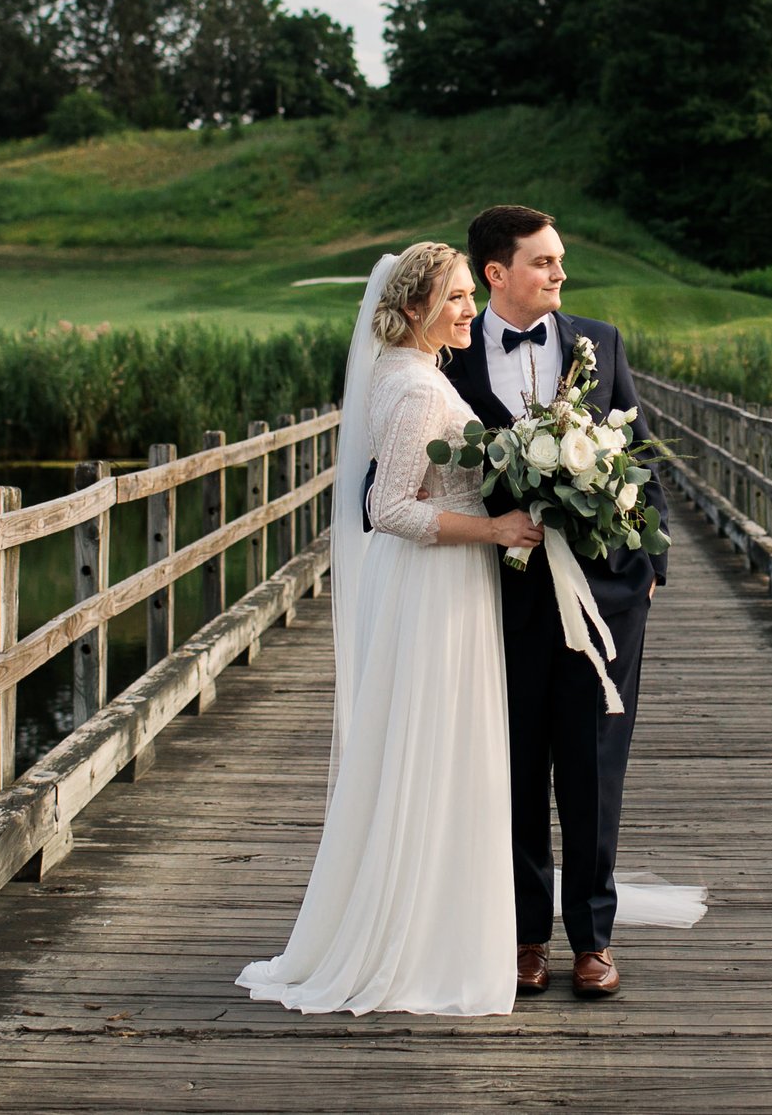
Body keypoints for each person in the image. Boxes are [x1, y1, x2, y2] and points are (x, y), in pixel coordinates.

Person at [237, 242, 547, 1015]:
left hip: (449, 584)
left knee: (444, 752)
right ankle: (415, 942)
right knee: (435, 748)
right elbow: (389, 509)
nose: (469, 308)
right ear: (414, 309)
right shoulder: (413, 388)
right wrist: (497, 529)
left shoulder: (416, 373)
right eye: (454, 298)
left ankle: (443, 922)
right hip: (437, 587)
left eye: (472, 294)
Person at [445, 204, 675, 1001]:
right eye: (543, 261)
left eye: (561, 260)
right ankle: (522, 936)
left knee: (594, 768)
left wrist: (650, 564)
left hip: (605, 596)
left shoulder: (599, 342)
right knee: (511, 768)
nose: (560, 273)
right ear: (495, 273)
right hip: (496, 600)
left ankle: (594, 939)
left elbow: (640, 455)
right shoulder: (452, 355)